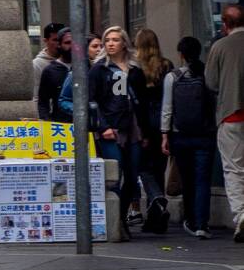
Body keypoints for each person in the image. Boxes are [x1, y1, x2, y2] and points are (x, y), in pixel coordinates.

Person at [88, 25, 144, 241]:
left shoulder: (135, 69)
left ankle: (121, 216)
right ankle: (114, 222)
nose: (110, 43)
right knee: (115, 174)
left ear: (124, 43)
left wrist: (147, 132)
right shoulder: (99, 69)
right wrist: (103, 127)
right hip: (111, 128)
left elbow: (142, 101)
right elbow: (92, 101)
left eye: (115, 40)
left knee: (132, 176)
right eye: (107, 40)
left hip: (134, 128)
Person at [162, 36, 216, 239]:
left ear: (181, 54)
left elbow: (167, 109)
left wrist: (164, 135)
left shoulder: (173, 77)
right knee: (203, 180)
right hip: (206, 135)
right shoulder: (207, 75)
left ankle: (192, 220)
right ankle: (203, 224)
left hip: (180, 136)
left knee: (188, 180)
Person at [204, 2, 244, 243]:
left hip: (231, 115)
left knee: (234, 169)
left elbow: (211, 83)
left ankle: (241, 216)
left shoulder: (219, 47)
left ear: (225, 24)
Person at [133, 27, 172, 233]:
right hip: (163, 123)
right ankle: (156, 215)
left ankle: (156, 199)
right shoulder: (166, 66)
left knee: (143, 168)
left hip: (145, 124)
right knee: (158, 169)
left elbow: (137, 102)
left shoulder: (135, 69)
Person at [37, 29, 73, 123]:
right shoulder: (50, 71)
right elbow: (43, 102)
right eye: (67, 42)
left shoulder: (86, 67)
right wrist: (47, 122)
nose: (72, 46)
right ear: (59, 45)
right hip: (60, 126)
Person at [33, 22, 65, 98]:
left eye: (61, 40)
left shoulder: (72, 60)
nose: (59, 44)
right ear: (46, 41)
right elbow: (36, 95)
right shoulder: (37, 64)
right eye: (55, 40)